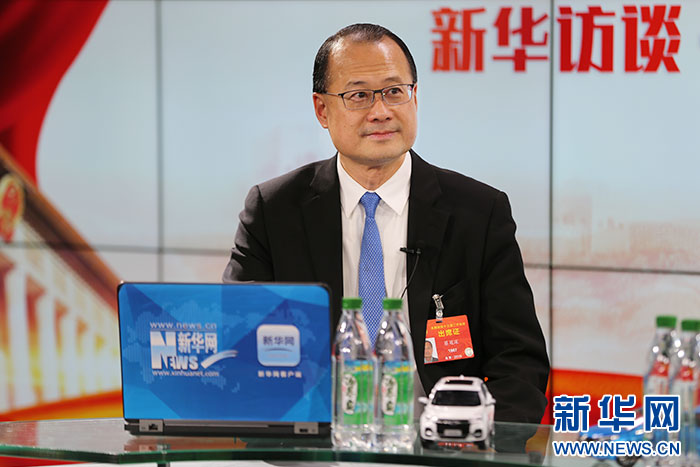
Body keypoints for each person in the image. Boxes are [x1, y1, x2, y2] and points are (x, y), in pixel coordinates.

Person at [223, 23, 549, 424]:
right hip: (315, 439)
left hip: (442, 443)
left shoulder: (479, 213)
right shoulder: (273, 211)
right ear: (322, 110)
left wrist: (466, 436)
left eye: (395, 91)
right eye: (359, 95)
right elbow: (238, 345)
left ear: (415, 97)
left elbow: (520, 363)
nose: (381, 111)